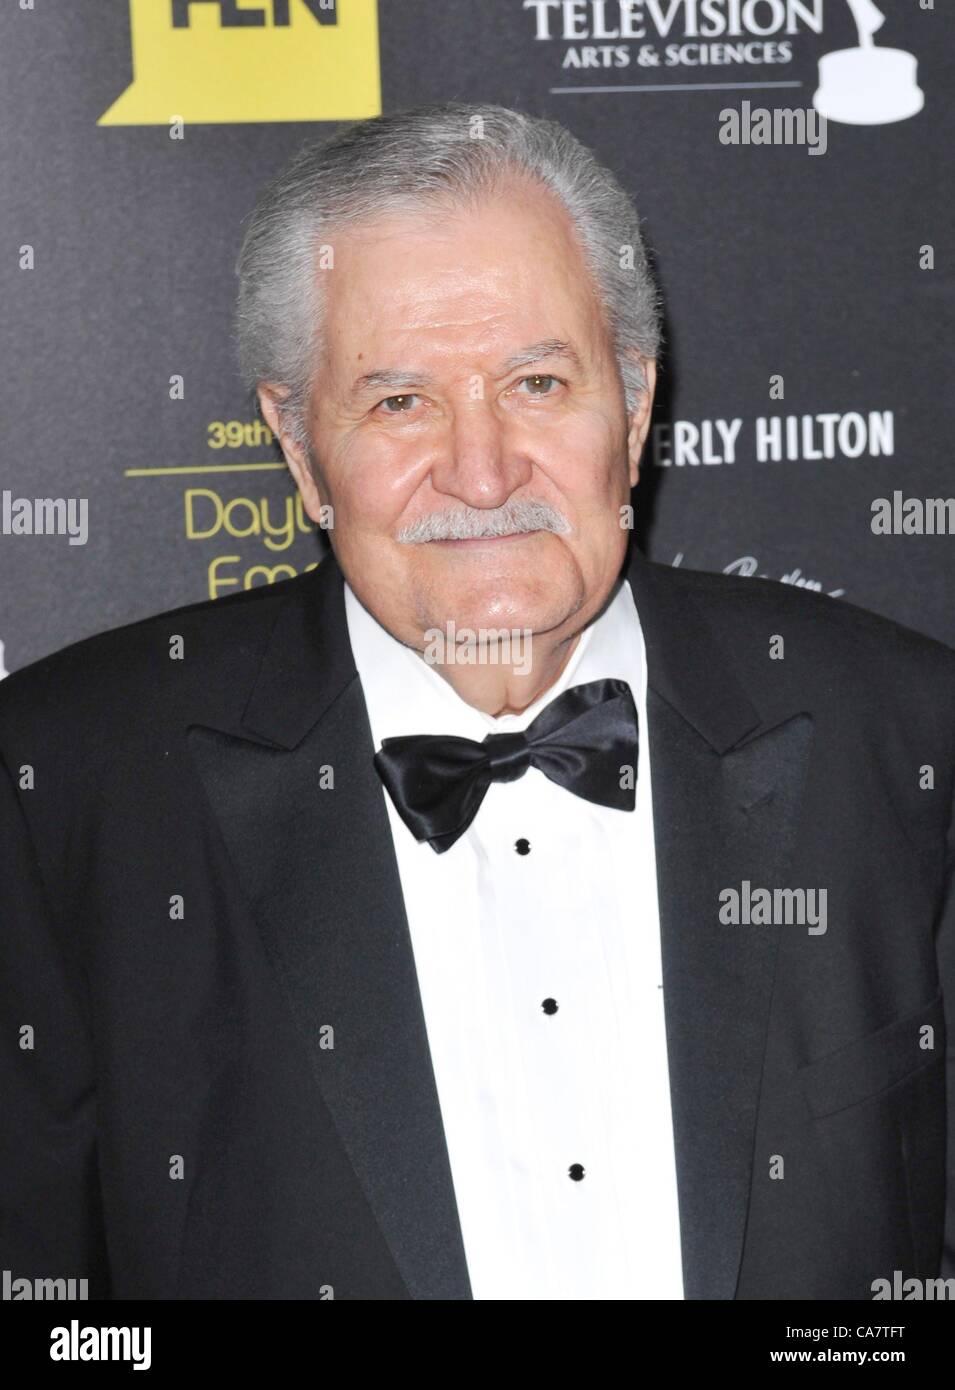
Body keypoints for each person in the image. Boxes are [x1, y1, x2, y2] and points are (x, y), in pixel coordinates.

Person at [1, 103, 953, 1301]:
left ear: (637, 403)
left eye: (538, 382)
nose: (484, 470)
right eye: (400, 402)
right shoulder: (66, 788)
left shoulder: (905, 738)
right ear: (297, 449)